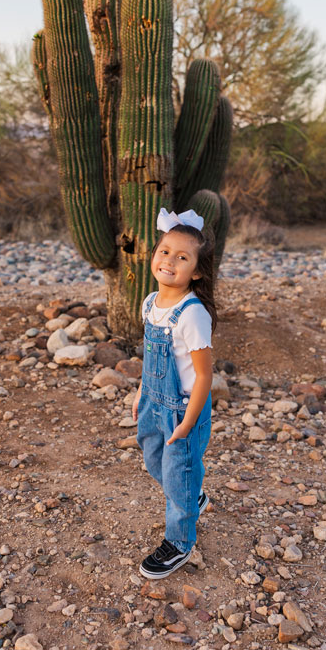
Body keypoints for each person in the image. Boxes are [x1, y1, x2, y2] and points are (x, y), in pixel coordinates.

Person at [132, 207, 217, 579]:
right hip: (153, 399)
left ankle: (180, 541)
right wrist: (140, 393)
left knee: (178, 467)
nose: (169, 261)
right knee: (155, 462)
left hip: (183, 407)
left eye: (182, 257)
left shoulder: (192, 313)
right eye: (164, 251)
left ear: (196, 271)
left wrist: (188, 422)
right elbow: (150, 355)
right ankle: (191, 495)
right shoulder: (152, 303)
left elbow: (203, 375)